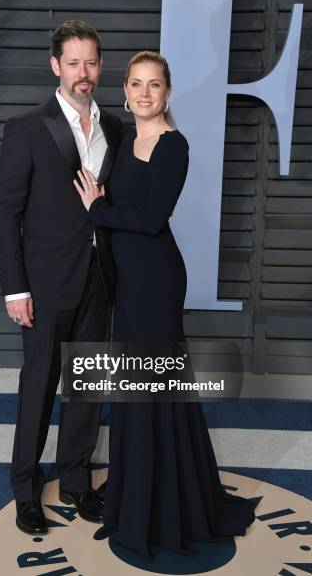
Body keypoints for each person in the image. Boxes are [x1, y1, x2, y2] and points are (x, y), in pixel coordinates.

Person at [74, 51, 256, 560]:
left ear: (168, 92)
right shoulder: (127, 140)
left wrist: (99, 210)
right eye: (136, 84)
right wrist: (103, 208)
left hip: (155, 281)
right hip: (128, 281)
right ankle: (133, 502)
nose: (144, 94)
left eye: (154, 85)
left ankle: (163, 508)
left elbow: (152, 219)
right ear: (126, 91)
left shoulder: (174, 146)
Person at [0, 20, 121, 536]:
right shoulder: (26, 128)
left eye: (91, 62)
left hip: (100, 277)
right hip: (44, 283)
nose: (83, 72)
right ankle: (25, 487)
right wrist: (15, 287)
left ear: (99, 66)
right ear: (56, 66)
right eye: (74, 63)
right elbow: (7, 214)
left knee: (87, 384)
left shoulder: (116, 126)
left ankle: (75, 479)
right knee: (39, 386)